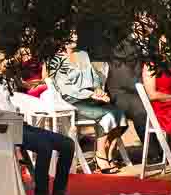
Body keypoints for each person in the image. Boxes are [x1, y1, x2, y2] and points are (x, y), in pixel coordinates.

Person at [0, 44, 76, 195]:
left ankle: (58, 193)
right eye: (0, 60)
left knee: (67, 143)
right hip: (2, 128)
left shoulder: (0, 79)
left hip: (19, 124)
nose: (4, 63)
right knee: (44, 146)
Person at [47, 30, 123, 170]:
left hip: (90, 98)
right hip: (71, 102)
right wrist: (90, 95)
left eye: (76, 33)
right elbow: (64, 88)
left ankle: (109, 153)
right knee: (108, 115)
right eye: (71, 34)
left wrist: (98, 89)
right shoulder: (55, 59)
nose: (75, 36)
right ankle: (100, 156)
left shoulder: (83, 54)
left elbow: (94, 76)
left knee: (120, 114)